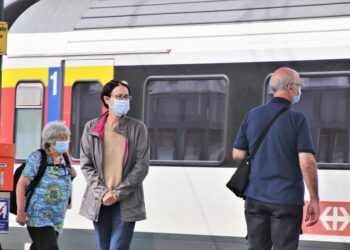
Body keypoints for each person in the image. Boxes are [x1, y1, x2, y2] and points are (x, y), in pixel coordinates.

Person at [232, 67, 320, 250]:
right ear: (290, 87)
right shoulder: (298, 120)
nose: (300, 90)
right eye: (299, 85)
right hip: (285, 199)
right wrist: (314, 199)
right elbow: (306, 163)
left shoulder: (252, 115)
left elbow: (237, 154)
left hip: (255, 197)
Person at [79, 79, 150, 250]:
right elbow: (86, 165)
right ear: (107, 100)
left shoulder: (138, 128)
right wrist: (103, 193)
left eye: (126, 97)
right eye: (119, 96)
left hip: (126, 201)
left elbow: (142, 166)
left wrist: (117, 194)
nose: (124, 101)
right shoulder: (92, 128)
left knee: (117, 247)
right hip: (100, 201)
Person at [16, 121, 76, 250]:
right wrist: (20, 211)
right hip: (38, 215)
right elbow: (21, 184)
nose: (65, 142)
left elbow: (62, 182)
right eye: (62, 139)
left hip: (58, 216)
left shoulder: (65, 158)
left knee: (40, 247)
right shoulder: (38, 157)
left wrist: (72, 175)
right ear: (51, 140)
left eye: (67, 139)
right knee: (50, 247)